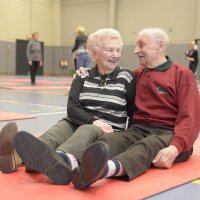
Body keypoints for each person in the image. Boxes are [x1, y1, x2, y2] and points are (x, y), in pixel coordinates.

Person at [67, 28, 200, 190]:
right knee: (110, 140)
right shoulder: (136, 74)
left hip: (170, 133)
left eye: (141, 45)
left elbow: (191, 118)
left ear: (160, 46)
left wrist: (175, 148)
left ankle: (103, 170)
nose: (136, 50)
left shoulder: (182, 74)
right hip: (139, 129)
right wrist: (88, 72)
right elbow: (109, 74)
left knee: (145, 146)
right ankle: (77, 164)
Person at [0, 28, 136, 185]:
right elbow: (72, 108)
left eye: (118, 50)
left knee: (88, 129)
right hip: (80, 121)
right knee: (61, 127)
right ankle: (19, 158)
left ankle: (60, 161)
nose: (116, 55)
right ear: (95, 53)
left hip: (107, 131)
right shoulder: (82, 76)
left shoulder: (127, 77)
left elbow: (134, 112)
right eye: (110, 50)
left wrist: (126, 139)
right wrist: (93, 120)